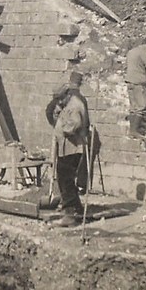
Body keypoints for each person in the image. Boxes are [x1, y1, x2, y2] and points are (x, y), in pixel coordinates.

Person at [47, 71, 90, 227]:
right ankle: (76, 208)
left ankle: (70, 215)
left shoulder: (75, 105)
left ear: (65, 95)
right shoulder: (68, 104)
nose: (58, 102)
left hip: (72, 147)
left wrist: (62, 124)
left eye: (59, 99)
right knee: (67, 178)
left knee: (66, 180)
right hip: (66, 148)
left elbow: (72, 126)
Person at [125, 37, 146, 138]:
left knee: (133, 107)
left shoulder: (131, 51)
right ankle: (134, 131)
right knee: (142, 106)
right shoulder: (143, 52)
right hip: (139, 82)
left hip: (129, 81)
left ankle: (131, 131)